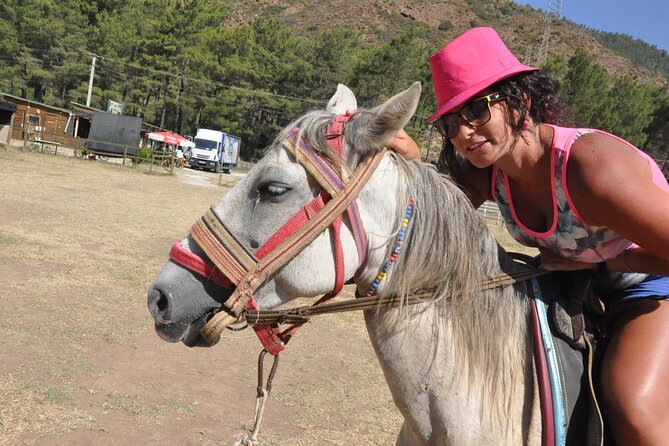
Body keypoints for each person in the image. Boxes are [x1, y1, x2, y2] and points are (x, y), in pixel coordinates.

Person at [388, 27, 669, 445]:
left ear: (521, 100)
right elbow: (433, 213)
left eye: (476, 111)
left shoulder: (593, 170)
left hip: (646, 282)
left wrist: (607, 263)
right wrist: (411, 163)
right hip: (570, 283)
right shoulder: (489, 171)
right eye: (450, 123)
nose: (463, 133)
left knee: (632, 406)